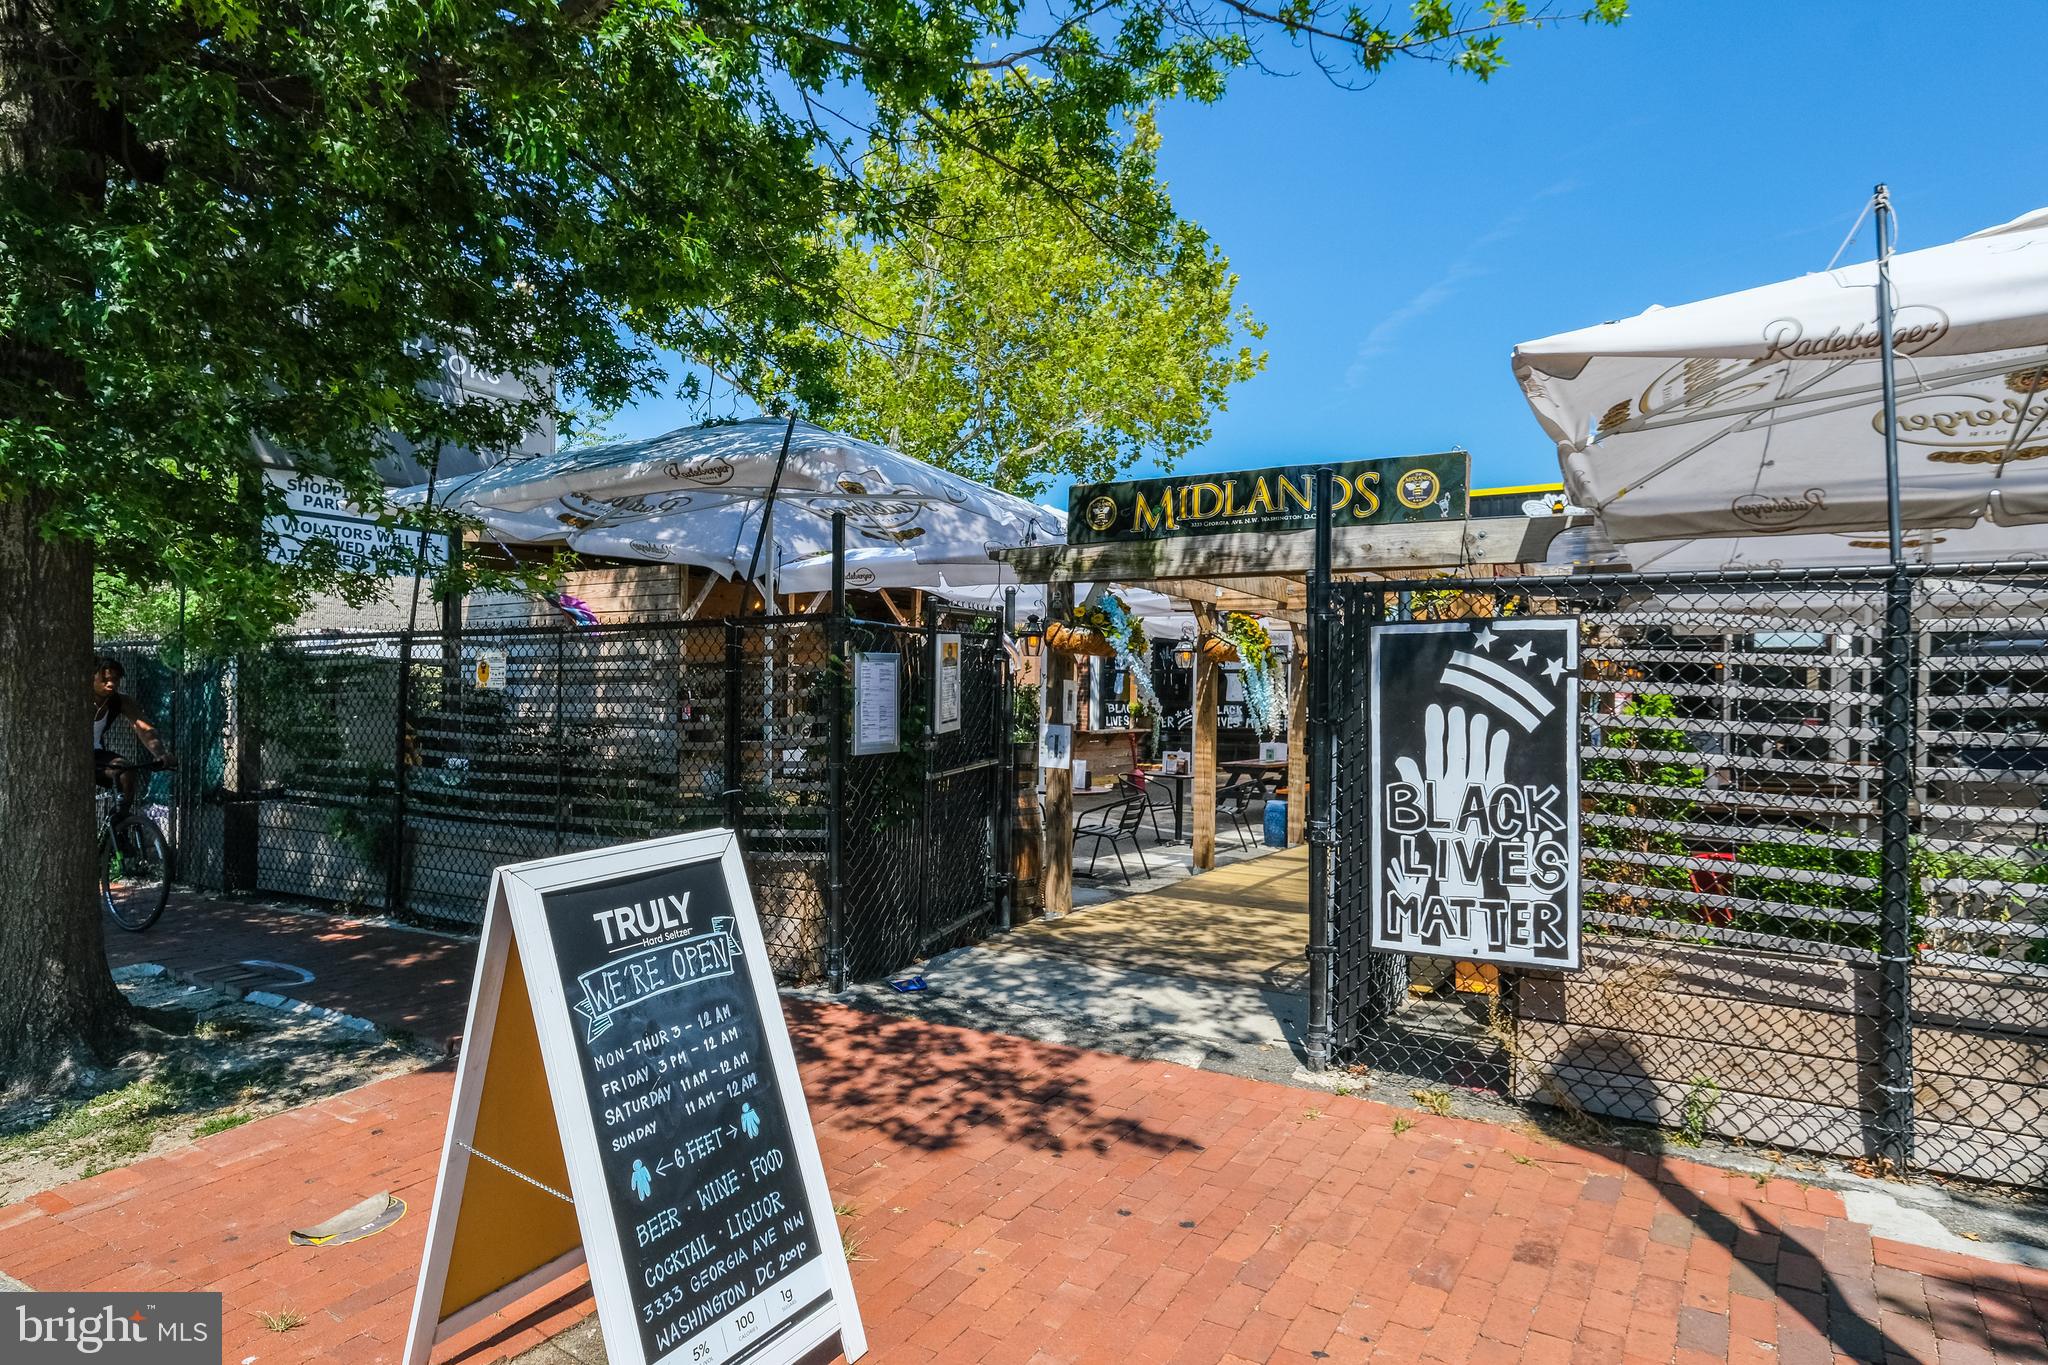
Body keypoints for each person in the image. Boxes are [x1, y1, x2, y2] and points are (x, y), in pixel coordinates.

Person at [93, 656, 172, 809]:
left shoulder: (120, 701)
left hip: (96, 754)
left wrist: (160, 754)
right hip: (72, 756)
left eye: (116, 680)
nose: (111, 684)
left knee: (125, 770)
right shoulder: (74, 698)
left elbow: (144, 729)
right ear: (91, 676)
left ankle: (121, 821)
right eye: (105, 679)